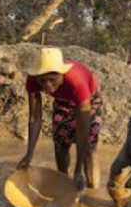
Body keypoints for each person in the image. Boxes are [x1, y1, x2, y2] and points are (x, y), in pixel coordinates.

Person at [17, 48, 103, 191]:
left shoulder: (77, 82)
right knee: (61, 143)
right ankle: (65, 183)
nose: (47, 85)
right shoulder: (32, 80)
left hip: (89, 99)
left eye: (52, 79)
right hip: (62, 100)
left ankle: (88, 184)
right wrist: (29, 153)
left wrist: (78, 170)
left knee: (88, 147)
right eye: (42, 80)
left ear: (62, 74)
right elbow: (35, 117)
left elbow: (83, 129)